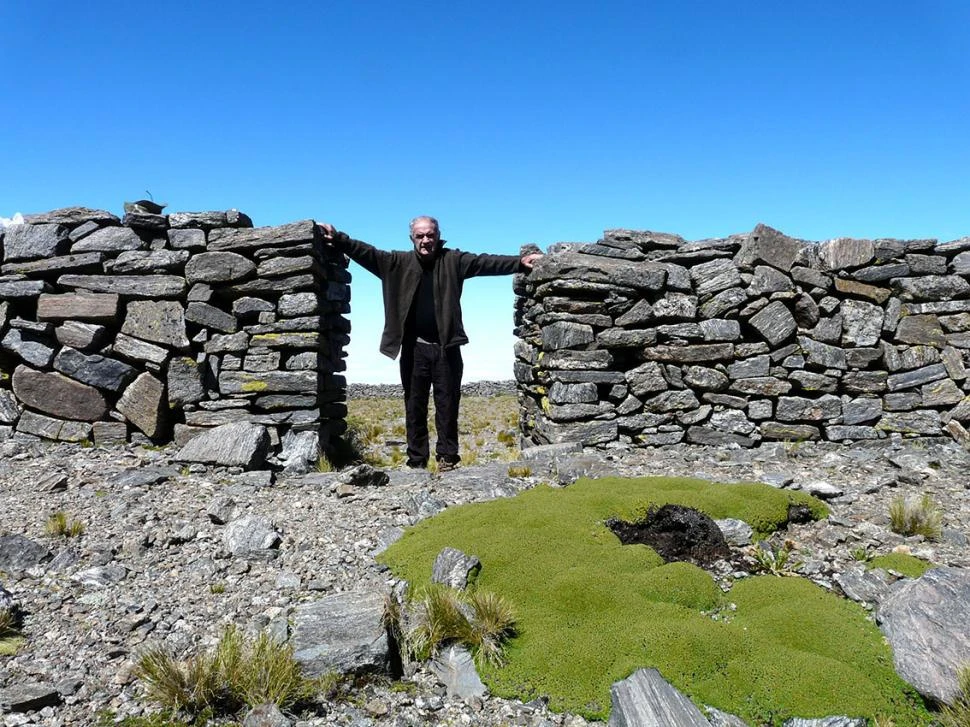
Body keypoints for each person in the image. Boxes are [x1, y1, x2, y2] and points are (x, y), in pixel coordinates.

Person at [317, 216, 542, 470]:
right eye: (420, 236)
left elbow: (484, 262)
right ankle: (417, 462)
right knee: (414, 407)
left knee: (447, 406)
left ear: (438, 235)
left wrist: (519, 263)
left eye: (430, 235)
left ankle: (447, 459)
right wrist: (338, 239)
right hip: (414, 348)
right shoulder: (395, 263)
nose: (426, 240)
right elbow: (365, 252)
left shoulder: (453, 260)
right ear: (412, 238)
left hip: (447, 348)